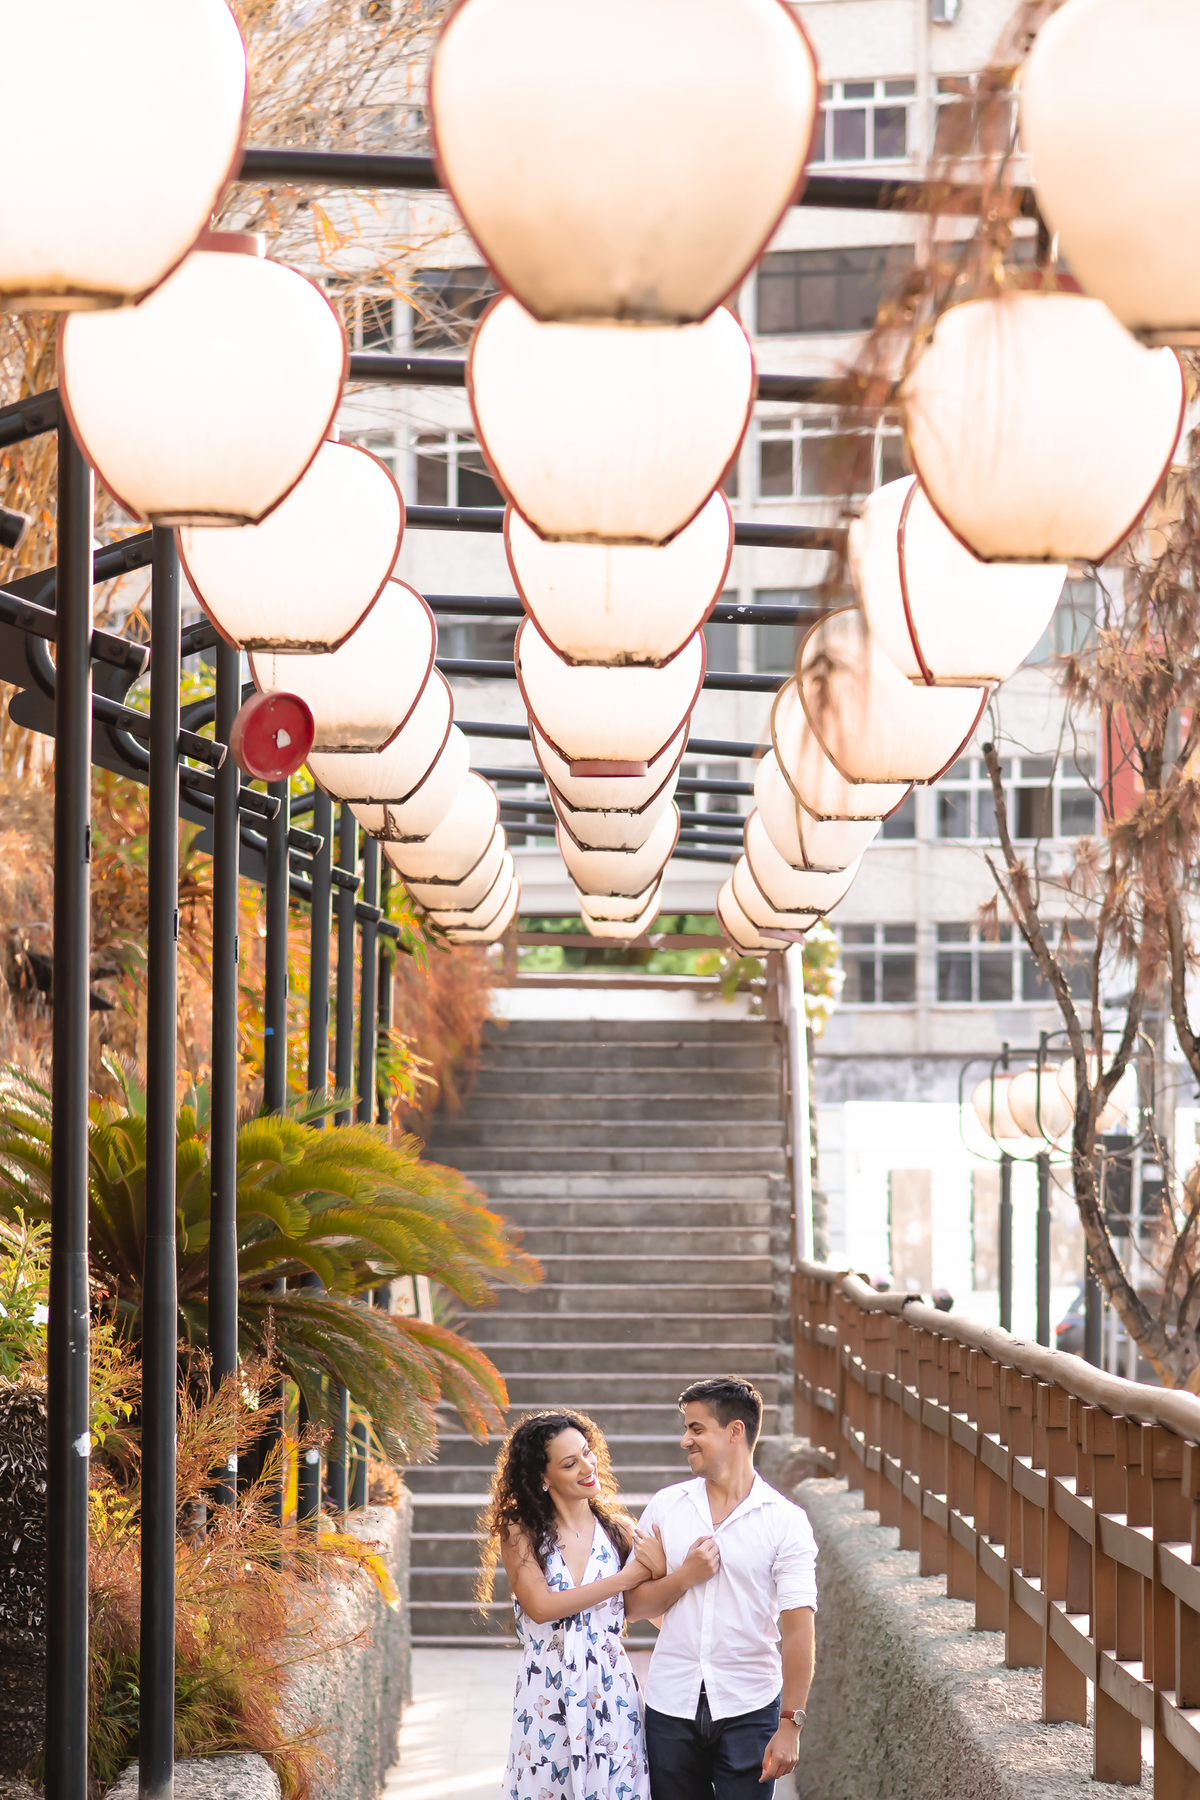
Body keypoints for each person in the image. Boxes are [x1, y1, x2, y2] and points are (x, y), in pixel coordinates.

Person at [623, 1376, 817, 1800]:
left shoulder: (785, 1521)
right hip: (670, 1704)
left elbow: (800, 1629)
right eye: (686, 1428)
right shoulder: (666, 1506)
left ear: (735, 1432)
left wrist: (791, 1725)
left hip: (751, 1706)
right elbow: (632, 1606)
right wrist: (683, 1578)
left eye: (696, 1429)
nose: (684, 1441)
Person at [479, 1410, 655, 1800]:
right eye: (570, 1463)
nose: (587, 1467)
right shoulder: (519, 1530)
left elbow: (649, 1606)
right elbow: (541, 1606)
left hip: (610, 1684)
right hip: (547, 1688)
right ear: (543, 1477)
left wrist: (684, 1575)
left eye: (587, 1453)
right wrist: (624, 1580)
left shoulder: (620, 1530)